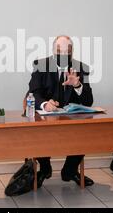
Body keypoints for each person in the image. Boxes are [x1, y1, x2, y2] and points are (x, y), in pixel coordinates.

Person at [28, 35, 94, 187]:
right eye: (59, 51)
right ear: (53, 50)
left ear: (72, 52)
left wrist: (78, 86)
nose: (63, 55)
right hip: (45, 119)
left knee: (86, 132)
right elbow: (33, 92)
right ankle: (45, 169)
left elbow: (89, 101)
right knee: (35, 132)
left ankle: (69, 171)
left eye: (67, 51)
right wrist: (45, 104)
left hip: (71, 120)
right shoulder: (40, 64)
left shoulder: (80, 68)